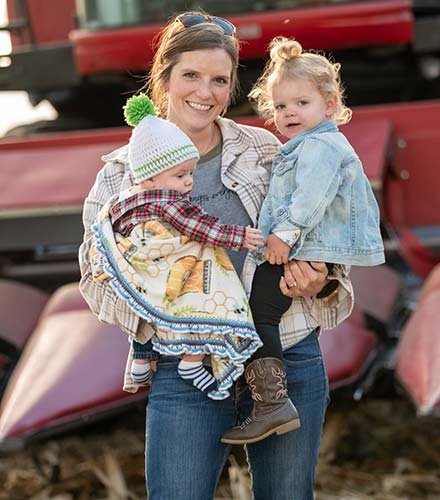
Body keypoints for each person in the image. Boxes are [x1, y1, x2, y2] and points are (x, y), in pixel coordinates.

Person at [79, 11, 355, 499]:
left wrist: (322, 275)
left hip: (285, 356)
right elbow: (92, 275)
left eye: (219, 80)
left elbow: (326, 226)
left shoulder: (266, 150)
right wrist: (167, 308)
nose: (204, 92)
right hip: (187, 367)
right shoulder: (122, 173)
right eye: (191, 75)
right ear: (164, 80)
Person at [221, 36, 385, 445]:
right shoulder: (305, 144)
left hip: (305, 246)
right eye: (280, 106)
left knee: (258, 314)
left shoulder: (320, 148)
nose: (289, 113)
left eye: (301, 103)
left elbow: (310, 197)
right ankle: (270, 401)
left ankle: (272, 404)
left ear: (329, 105)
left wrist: (283, 236)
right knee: (261, 310)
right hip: (303, 247)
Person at [90, 93, 264, 399]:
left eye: (191, 174)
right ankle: (192, 360)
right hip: (168, 266)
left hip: (140, 270)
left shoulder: (124, 199)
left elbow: (107, 229)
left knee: (147, 305)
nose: (188, 184)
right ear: (152, 177)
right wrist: (238, 237)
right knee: (197, 299)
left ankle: (142, 357)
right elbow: (200, 228)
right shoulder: (168, 202)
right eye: (181, 175)